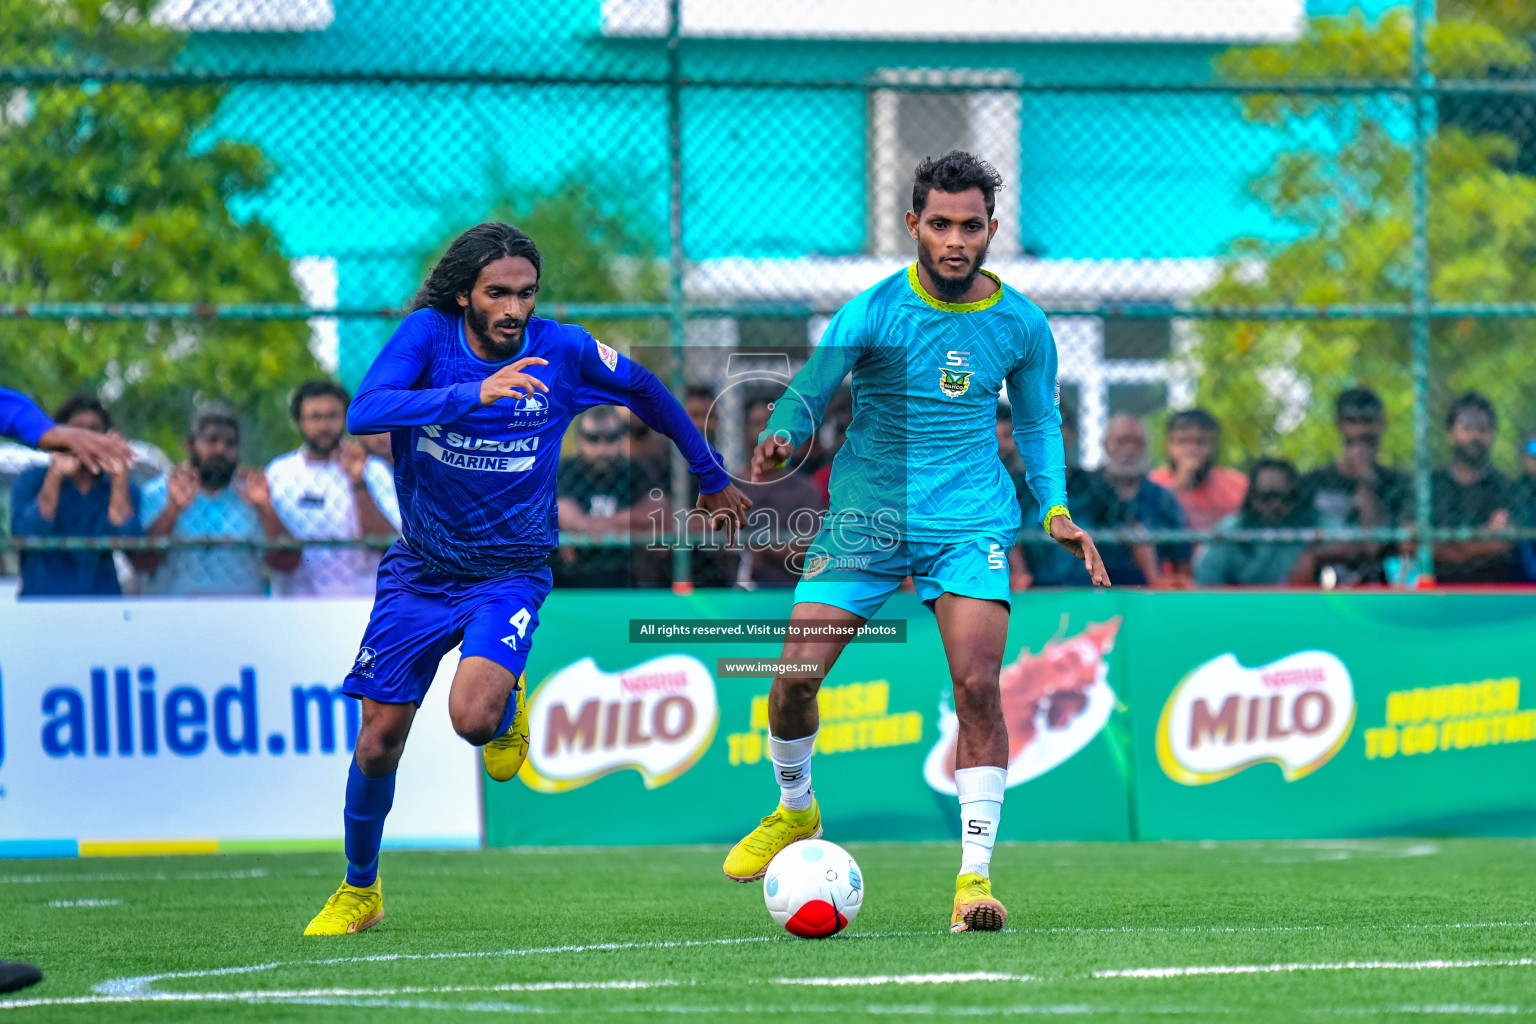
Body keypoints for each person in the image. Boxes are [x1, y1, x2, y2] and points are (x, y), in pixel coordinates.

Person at [303, 222, 749, 935]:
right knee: (379, 739)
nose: (514, 308)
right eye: (498, 294)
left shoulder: (562, 349)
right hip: (420, 570)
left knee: (473, 720)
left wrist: (710, 474)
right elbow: (366, 411)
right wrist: (471, 394)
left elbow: (647, 391)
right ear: (464, 295)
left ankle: (505, 705)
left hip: (509, 572)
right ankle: (361, 889)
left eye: (526, 294)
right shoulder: (427, 336)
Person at [722, 151, 1108, 934]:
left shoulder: (1022, 324)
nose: (956, 239)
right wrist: (783, 433)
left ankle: (974, 880)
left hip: (969, 521)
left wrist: (1056, 508)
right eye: (941, 224)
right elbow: (813, 386)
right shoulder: (872, 310)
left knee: (976, 689)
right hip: (865, 518)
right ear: (913, 227)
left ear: (993, 229)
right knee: (794, 680)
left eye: (972, 225)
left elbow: (1036, 422)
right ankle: (796, 809)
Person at [0, 384, 134, 997]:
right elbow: (29, 530)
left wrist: (63, 438)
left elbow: (129, 538)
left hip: (100, 612)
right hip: (43, 613)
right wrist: (54, 455)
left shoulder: (108, 482)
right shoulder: (35, 478)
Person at [137, 406, 301, 596]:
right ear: (189, 445)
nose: (221, 450)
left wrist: (265, 508)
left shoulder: (254, 494)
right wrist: (173, 509)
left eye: (230, 443)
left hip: (243, 616)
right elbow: (142, 562)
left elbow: (288, 562)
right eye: (211, 440)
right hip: (176, 616)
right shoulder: (157, 492)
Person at [265, 379, 397, 596]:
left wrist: (357, 482)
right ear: (298, 421)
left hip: (359, 605)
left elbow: (391, 547)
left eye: (331, 416)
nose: (323, 426)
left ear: (345, 419)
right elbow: (275, 555)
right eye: (314, 417)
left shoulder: (372, 470)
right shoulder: (278, 473)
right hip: (293, 607)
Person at [11, 394, 142, 597]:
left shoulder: (120, 486)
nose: (86, 438)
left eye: (93, 430)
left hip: (101, 603)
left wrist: (118, 478)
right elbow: (26, 535)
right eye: (77, 430)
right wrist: (55, 475)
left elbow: (128, 541)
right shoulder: (32, 480)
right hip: (43, 604)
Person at [1297, 387, 1412, 586]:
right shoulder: (1313, 482)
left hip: (1380, 584)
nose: (1361, 429)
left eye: (1369, 421)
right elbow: (1302, 549)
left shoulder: (1397, 483)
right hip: (1323, 586)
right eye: (1352, 420)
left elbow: (1375, 544)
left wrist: (1366, 480)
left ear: (1381, 424)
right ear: (1339, 425)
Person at [555, 405, 669, 587]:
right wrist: (628, 525)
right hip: (573, 572)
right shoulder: (566, 468)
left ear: (621, 438)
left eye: (610, 438)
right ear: (579, 440)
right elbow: (563, 511)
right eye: (593, 438)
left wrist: (595, 524)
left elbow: (657, 508)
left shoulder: (634, 469)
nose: (602, 447)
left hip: (626, 572)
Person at [1073, 414, 1189, 587]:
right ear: (1105, 444)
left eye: (1138, 443)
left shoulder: (1162, 498)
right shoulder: (1082, 486)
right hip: (1081, 589)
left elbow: (1181, 558)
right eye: (1121, 441)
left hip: (1144, 593)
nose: (1129, 449)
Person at [1430, 392, 1515, 584]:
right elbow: (1409, 541)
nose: (1475, 435)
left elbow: (1502, 542)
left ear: (1492, 434)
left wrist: (1441, 543)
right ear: (1450, 434)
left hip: (1492, 591)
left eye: (1482, 428)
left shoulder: (1504, 486)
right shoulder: (1430, 484)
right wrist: (1480, 540)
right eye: (1467, 427)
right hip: (1436, 592)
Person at [1195, 458, 1316, 586]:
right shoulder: (1230, 531)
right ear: (1252, 497)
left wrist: (1314, 555)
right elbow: (1207, 580)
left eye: (1285, 498)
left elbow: (1335, 536)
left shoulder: (1307, 528)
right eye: (1267, 497)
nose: (1276, 504)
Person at [1148, 408, 1248, 532]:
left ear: (1213, 445)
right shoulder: (1151, 484)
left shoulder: (1238, 485)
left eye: (1201, 442)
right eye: (1182, 441)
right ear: (1168, 444)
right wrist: (1179, 484)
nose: (1191, 449)